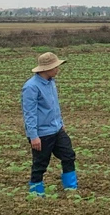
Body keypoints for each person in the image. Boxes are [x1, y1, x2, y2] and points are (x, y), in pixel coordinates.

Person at [22, 52, 77, 196]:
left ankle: (71, 188)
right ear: (45, 69)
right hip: (42, 133)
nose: (58, 69)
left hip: (57, 129)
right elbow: (30, 113)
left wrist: (60, 123)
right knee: (40, 164)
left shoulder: (51, 82)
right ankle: (36, 193)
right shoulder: (31, 87)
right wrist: (33, 136)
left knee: (68, 155)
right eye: (55, 67)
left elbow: (54, 106)